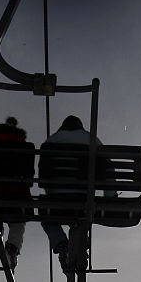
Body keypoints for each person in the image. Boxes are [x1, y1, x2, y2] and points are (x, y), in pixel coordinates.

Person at [40, 115, 109, 272]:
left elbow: (44, 176)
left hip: (57, 200)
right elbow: (106, 168)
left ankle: (62, 244)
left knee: (48, 217)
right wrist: (109, 198)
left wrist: (52, 193)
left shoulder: (51, 141)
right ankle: (81, 245)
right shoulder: (92, 140)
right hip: (84, 198)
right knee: (84, 217)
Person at [0, 116, 31, 270]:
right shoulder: (23, 145)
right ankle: (11, 249)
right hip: (18, 194)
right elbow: (29, 175)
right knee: (18, 223)